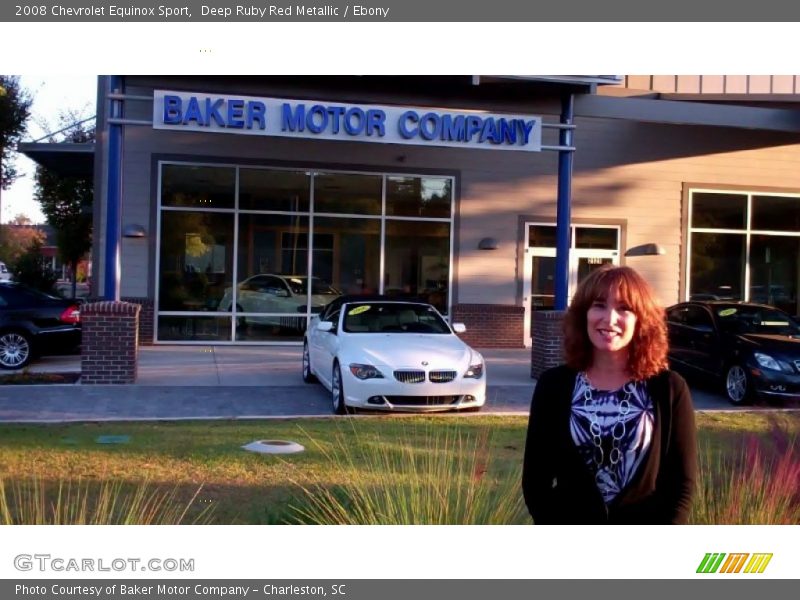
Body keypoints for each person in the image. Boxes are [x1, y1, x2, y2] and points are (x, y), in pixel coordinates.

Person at [522, 265, 697, 524]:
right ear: (584, 314)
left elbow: (682, 484)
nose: (610, 318)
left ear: (642, 320)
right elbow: (536, 480)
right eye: (599, 305)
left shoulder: (669, 389)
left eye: (624, 308)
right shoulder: (554, 385)